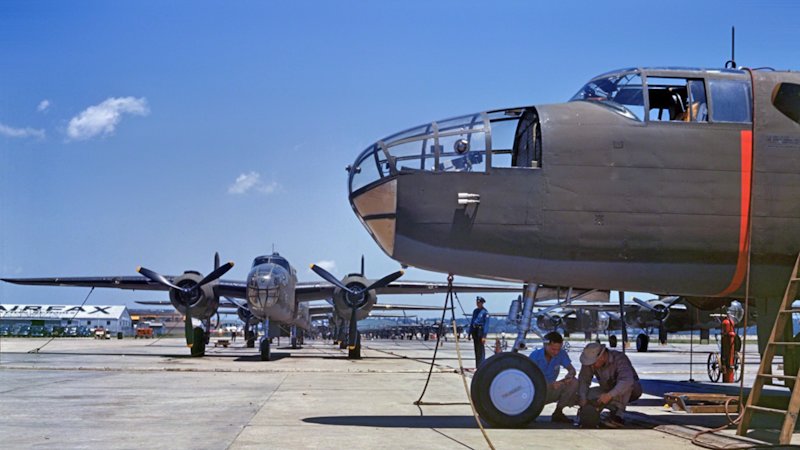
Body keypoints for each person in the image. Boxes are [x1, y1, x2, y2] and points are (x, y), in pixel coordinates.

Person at [577, 342, 642, 428]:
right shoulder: (590, 363)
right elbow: (583, 380)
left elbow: (627, 380)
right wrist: (583, 397)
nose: (591, 366)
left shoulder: (619, 358)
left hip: (629, 391)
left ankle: (618, 416)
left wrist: (609, 395)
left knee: (628, 384)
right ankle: (590, 413)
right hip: (607, 389)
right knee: (588, 394)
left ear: (602, 356)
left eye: (593, 363)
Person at [529, 331, 578, 423]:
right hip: (535, 392)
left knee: (574, 382)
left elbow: (572, 370)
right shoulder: (535, 356)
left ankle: (558, 413)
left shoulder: (561, 354)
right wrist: (549, 385)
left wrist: (570, 375)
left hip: (551, 390)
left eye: (558, 349)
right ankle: (530, 412)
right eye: (553, 349)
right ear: (545, 345)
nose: (556, 352)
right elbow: (529, 380)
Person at [468, 296, 489, 368]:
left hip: (480, 331)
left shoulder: (485, 312)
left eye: (479, 302)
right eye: (477, 302)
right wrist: (469, 333)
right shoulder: (475, 311)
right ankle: (477, 365)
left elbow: (486, 325)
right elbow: (472, 322)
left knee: (480, 350)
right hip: (475, 331)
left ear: (482, 303)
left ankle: (481, 365)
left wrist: (484, 336)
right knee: (476, 349)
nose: (478, 303)